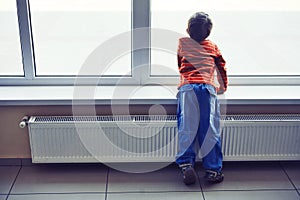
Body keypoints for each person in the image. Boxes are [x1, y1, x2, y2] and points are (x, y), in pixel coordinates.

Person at [175, 12, 228, 185]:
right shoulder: (213, 47)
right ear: (208, 33)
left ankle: (186, 164)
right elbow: (221, 68)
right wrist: (223, 86)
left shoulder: (182, 43)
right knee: (209, 129)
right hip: (207, 88)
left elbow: (180, 64)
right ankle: (213, 169)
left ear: (188, 30)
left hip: (188, 87)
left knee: (187, 127)